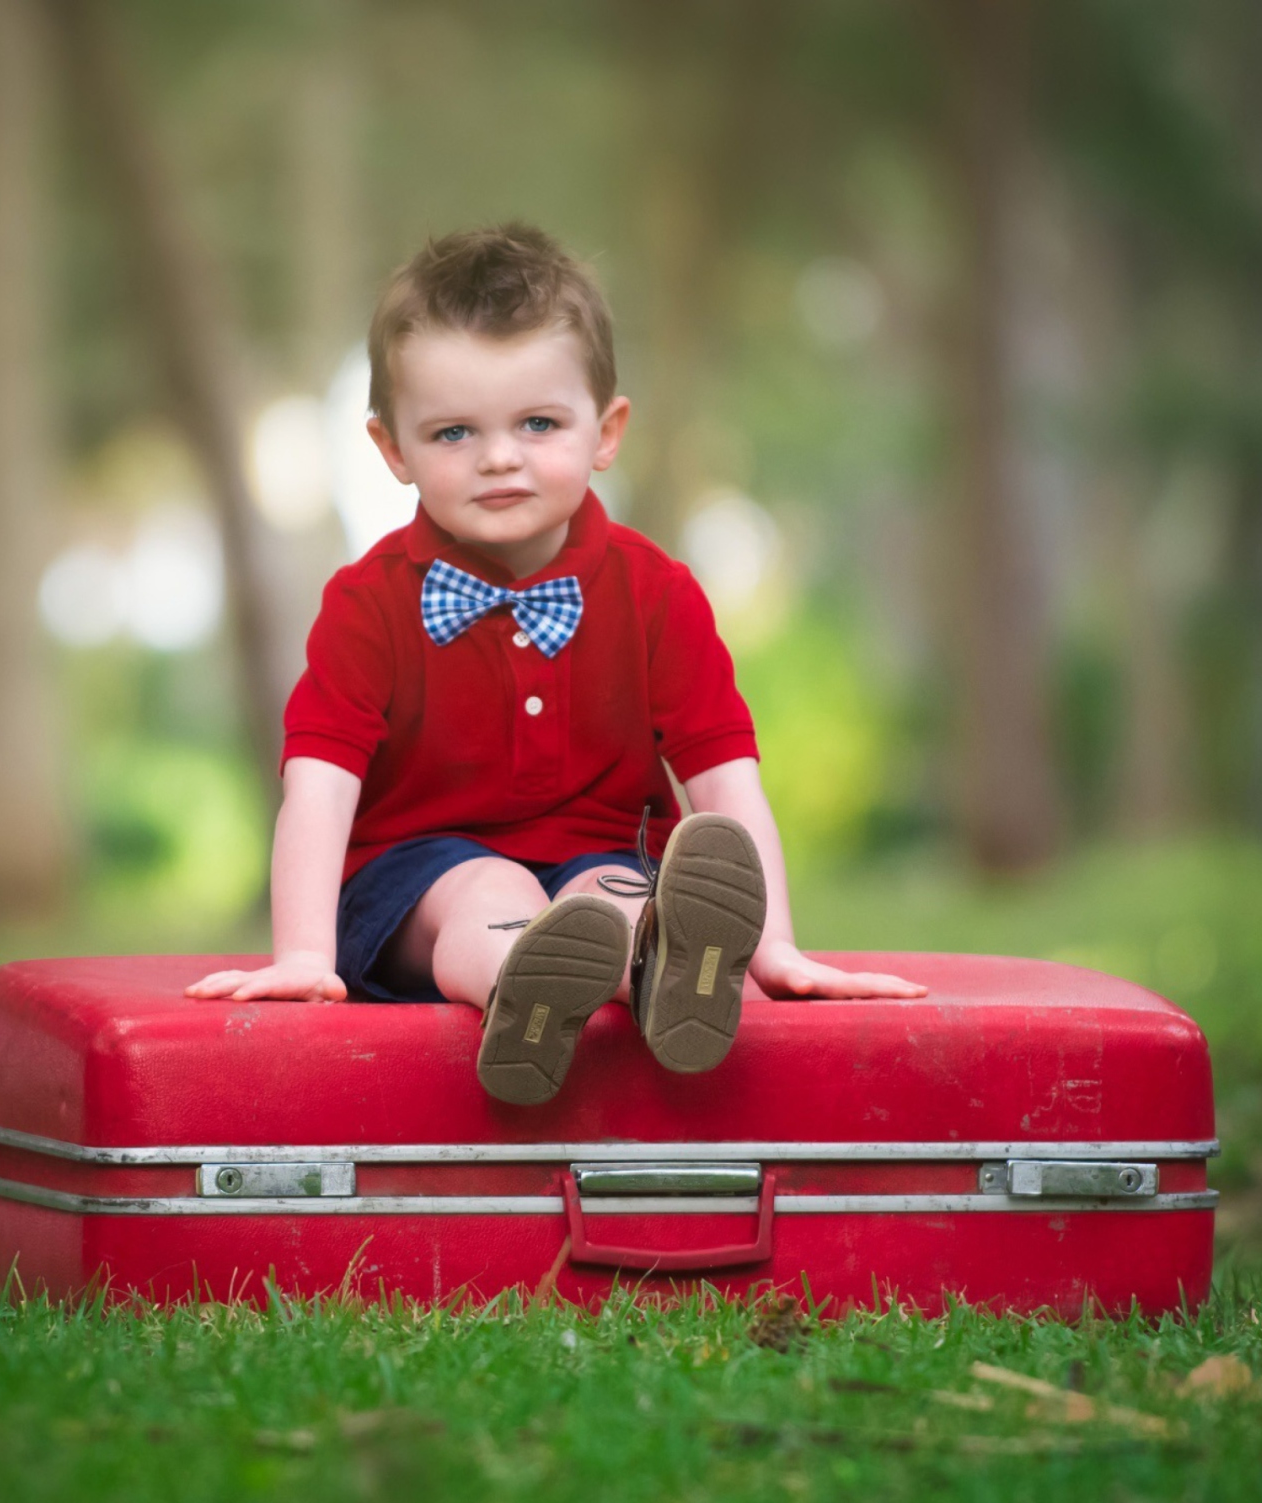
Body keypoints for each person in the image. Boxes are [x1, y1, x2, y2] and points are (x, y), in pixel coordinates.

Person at [187, 223, 924, 1104]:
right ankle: (522, 984)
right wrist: (304, 955)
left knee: (620, 898)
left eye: (539, 423)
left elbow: (727, 785)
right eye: (454, 432)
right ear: (393, 450)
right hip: (420, 877)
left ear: (605, 430)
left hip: (603, 853)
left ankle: (658, 972)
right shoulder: (367, 603)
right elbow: (318, 789)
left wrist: (775, 951)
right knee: (483, 892)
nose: (500, 456)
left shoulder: (658, 594)